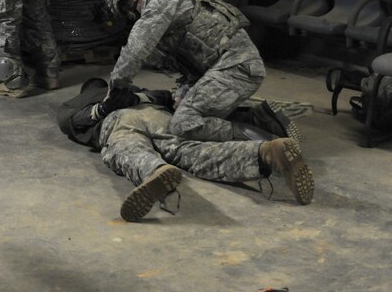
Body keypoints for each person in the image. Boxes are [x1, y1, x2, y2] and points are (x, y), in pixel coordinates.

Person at [58, 78, 315, 221]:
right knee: (190, 152)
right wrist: (140, 98)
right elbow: (167, 96)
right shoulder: (134, 88)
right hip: (157, 116)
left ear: (87, 88)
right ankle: (264, 153)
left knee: (128, 149)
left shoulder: (81, 98)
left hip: (118, 122)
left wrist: (102, 109)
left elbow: (69, 121)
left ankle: (155, 171)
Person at [103, 0, 299, 143]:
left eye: (124, 10)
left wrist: (117, 87)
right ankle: (260, 118)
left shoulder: (160, 3)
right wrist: (182, 94)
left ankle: (260, 138)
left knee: (183, 124)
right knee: (184, 109)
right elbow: (190, 65)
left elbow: (135, 50)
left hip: (237, 68)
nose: (130, 17)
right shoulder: (167, 2)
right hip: (226, 66)